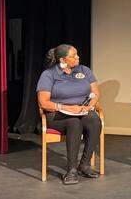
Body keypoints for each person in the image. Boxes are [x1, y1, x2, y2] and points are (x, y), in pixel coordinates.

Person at [36, 44, 102, 185]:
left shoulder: (84, 70)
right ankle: (71, 170)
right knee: (74, 123)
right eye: (73, 56)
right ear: (63, 60)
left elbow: (96, 93)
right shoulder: (49, 74)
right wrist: (66, 108)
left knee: (95, 120)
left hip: (81, 110)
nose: (78, 57)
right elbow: (43, 102)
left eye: (77, 54)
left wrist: (89, 106)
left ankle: (84, 165)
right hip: (57, 114)